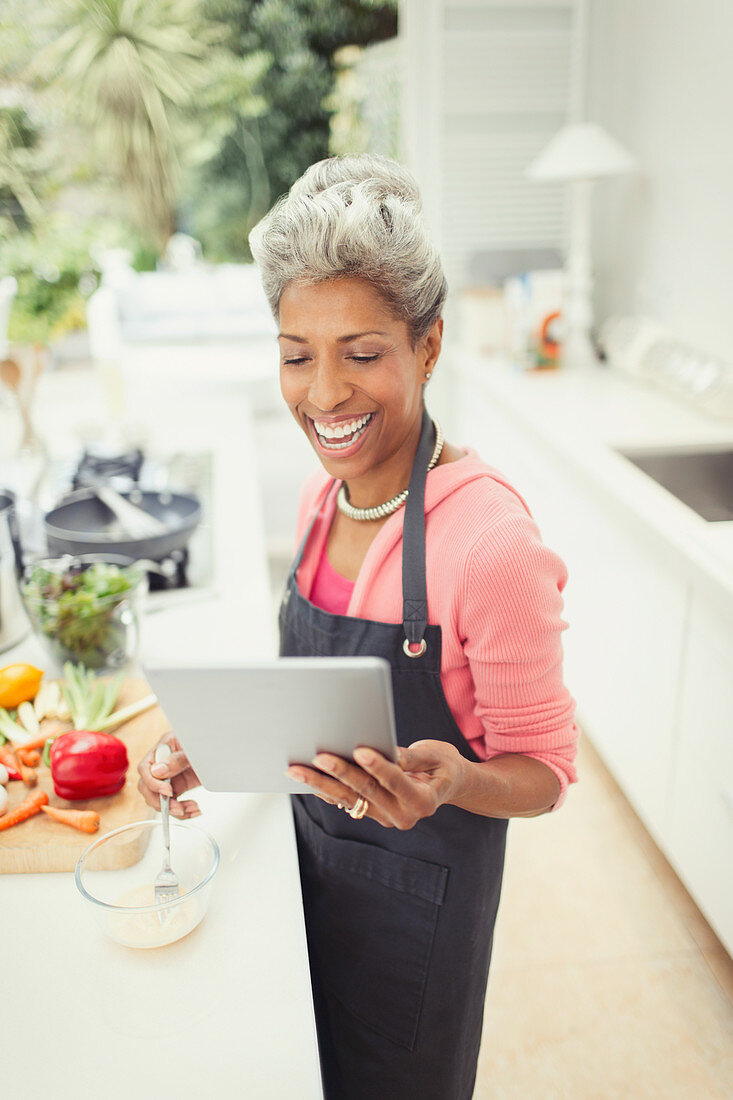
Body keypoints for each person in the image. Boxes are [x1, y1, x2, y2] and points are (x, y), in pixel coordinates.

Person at [137, 153, 579, 1100]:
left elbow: (544, 773)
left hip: (416, 924)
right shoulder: (315, 498)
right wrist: (217, 747)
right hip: (302, 880)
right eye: (297, 354)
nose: (324, 394)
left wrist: (458, 780)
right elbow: (313, 712)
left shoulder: (490, 544)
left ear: (427, 346)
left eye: (363, 352)